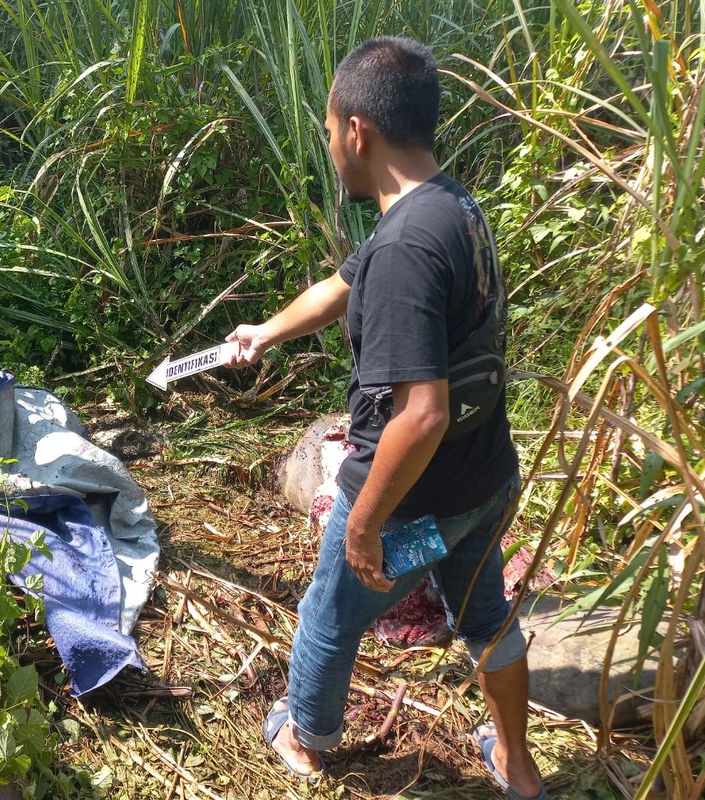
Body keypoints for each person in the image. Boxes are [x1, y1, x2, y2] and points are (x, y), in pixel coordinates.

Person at [223, 36, 545, 800]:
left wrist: (366, 524)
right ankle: (520, 767)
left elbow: (422, 413)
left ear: (357, 130)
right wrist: (265, 331)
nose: (331, 144)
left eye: (331, 129)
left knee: (330, 614)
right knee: (486, 618)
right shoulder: (450, 206)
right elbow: (346, 283)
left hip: (415, 502)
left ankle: (306, 737)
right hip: (486, 482)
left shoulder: (405, 246)